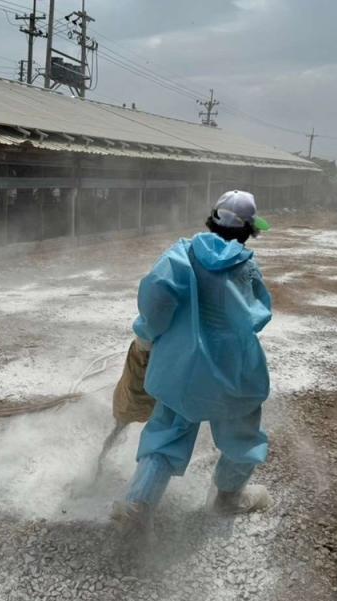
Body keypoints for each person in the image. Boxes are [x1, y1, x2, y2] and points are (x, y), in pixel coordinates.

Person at [112, 189, 273, 540]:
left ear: (211, 218)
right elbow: (258, 316)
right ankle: (228, 497)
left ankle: (138, 506)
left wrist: (147, 334)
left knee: (168, 432)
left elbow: (156, 295)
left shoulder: (181, 254)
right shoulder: (246, 265)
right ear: (247, 230)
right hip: (235, 369)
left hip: (182, 368)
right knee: (241, 435)